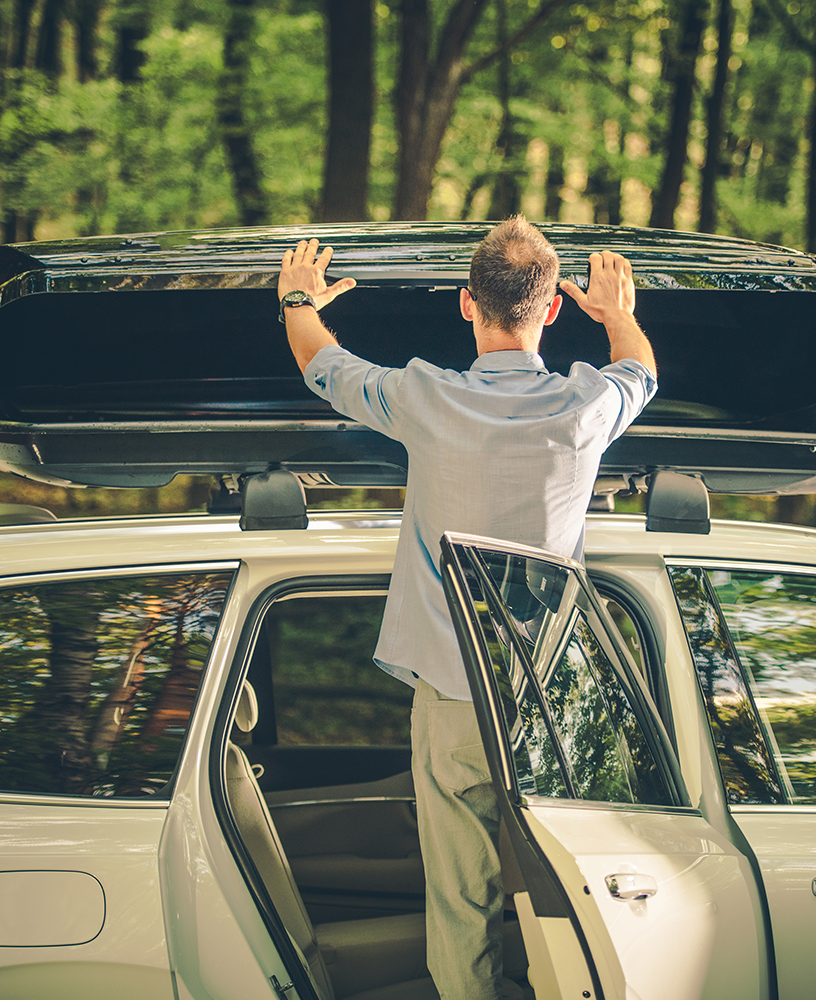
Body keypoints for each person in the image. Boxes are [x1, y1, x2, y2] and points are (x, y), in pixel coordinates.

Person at [275, 217, 657, 1000]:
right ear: (552, 309)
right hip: (556, 703)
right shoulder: (588, 409)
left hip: (453, 693)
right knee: (579, 884)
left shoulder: (426, 398)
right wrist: (618, 314)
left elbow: (326, 367)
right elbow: (640, 372)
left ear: (464, 304)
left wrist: (297, 299)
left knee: (461, 893)